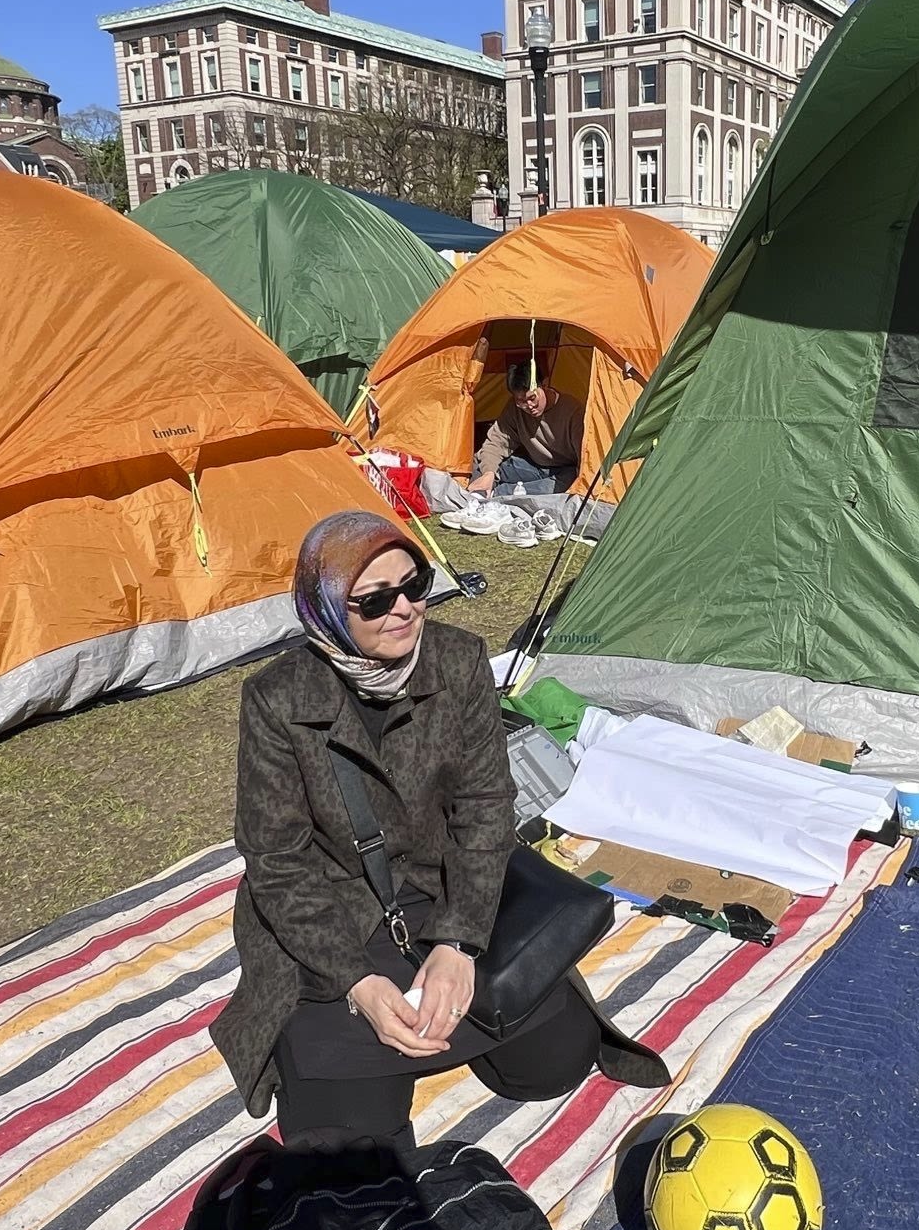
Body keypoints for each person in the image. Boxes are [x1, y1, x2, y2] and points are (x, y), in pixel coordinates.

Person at [211, 510, 666, 1152]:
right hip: (336, 911)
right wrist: (358, 984)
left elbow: (486, 807)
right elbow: (276, 860)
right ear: (327, 612)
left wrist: (460, 942)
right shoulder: (277, 699)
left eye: (414, 584)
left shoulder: (458, 660)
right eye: (373, 600)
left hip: (443, 889)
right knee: (348, 1137)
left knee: (553, 1063)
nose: (403, 609)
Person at [468, 361, 583, 495]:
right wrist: (488, 474)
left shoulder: (573, 412)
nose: (528, 406)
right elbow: (496, 443)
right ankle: (487, 488)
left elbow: (585, 457)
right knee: (481, 463)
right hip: (533, 465)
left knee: (564, 484)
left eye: (532, 398)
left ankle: (499, 493)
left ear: (544, 385)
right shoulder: (514, 409)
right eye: (520, 401)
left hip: (565, 470)